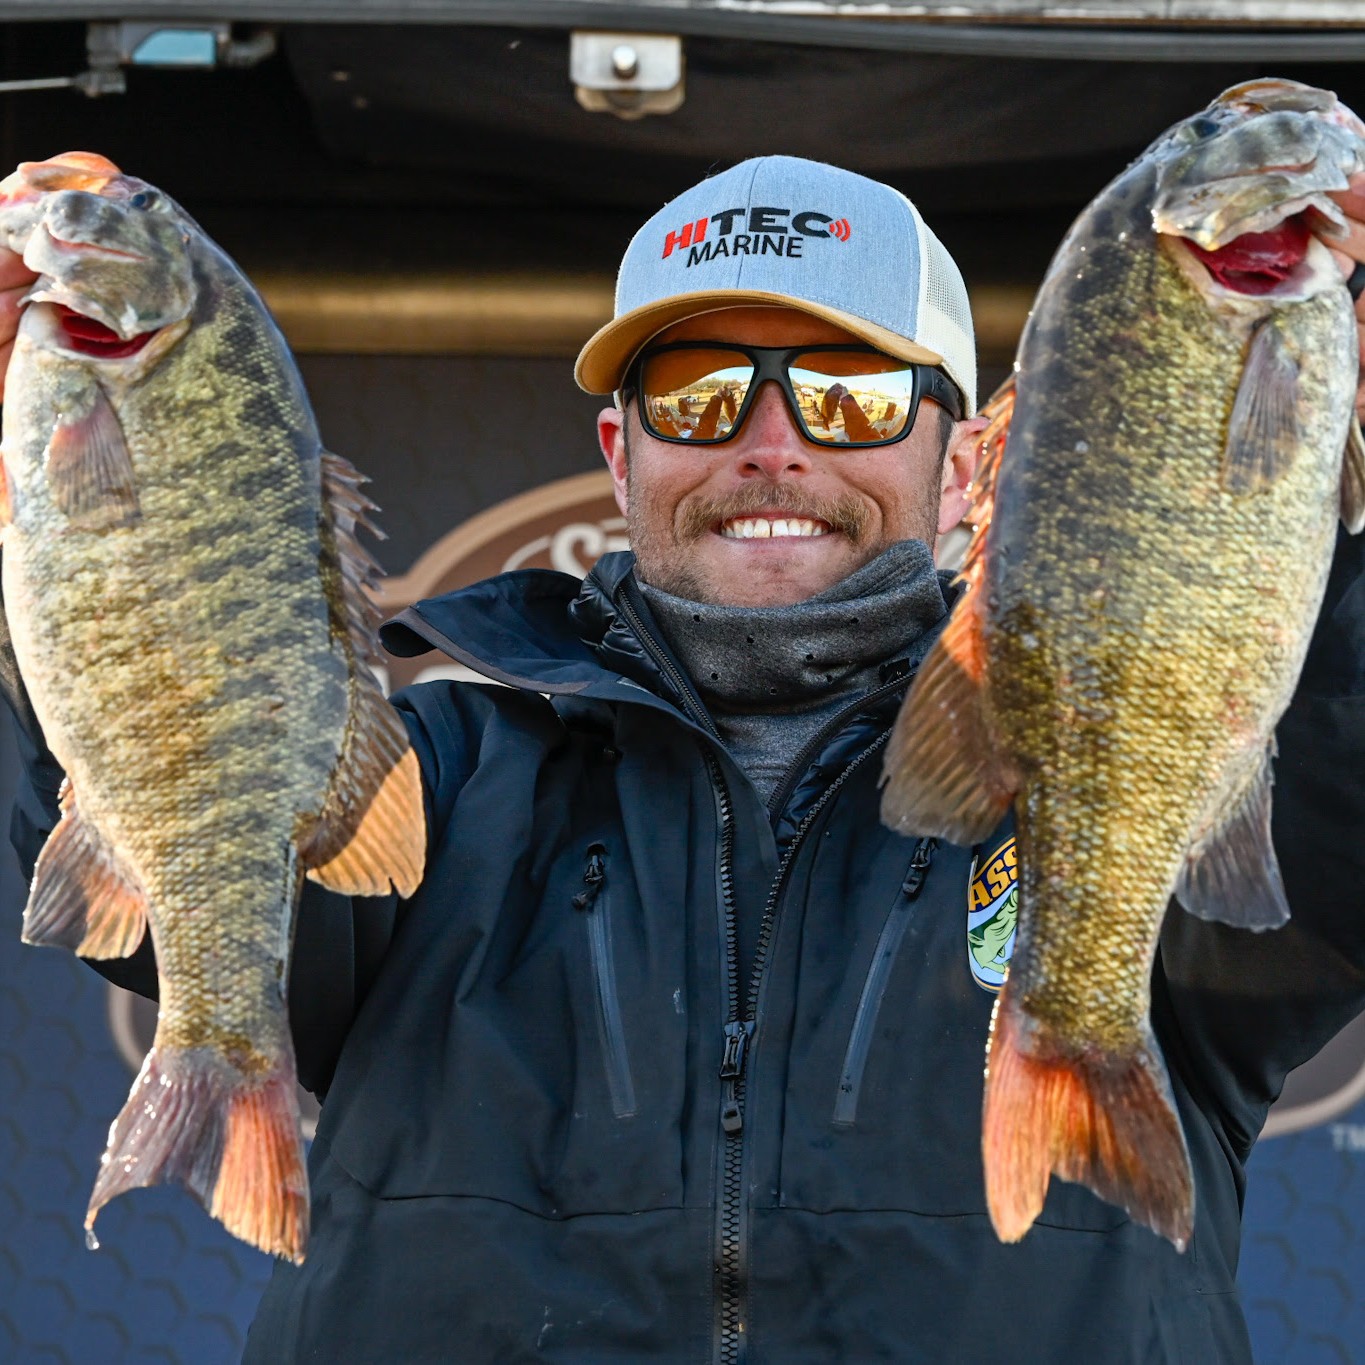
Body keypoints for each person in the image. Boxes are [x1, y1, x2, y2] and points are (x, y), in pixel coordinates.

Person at [5, 152, 1365, 1364]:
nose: (771, 447)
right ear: (623, 453)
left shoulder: (1114, 762)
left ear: (965, 464)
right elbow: (148, 804)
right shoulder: (436, 781)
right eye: (700, 393)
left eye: (847, 395)